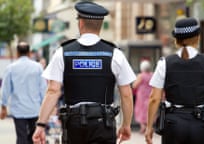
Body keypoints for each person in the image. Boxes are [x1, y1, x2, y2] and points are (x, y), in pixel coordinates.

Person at [32, 1, 136, 144]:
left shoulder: (63, 52)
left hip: (74, 124)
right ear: (100, 25)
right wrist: (126, 125)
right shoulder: (114, 54)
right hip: (103, 123)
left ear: (80, 23)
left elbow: (52, 91)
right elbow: (126, 93)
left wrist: (41, 125)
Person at [145, 17, 204, 144]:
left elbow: (154, 98)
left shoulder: (165, 63)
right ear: (198, 37)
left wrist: (149, 127)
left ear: (176, 40)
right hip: (202, 125)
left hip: (173, 125)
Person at [0, 42, 47, 144]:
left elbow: (5, 89)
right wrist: (46, 107)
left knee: (21, 136)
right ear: (29, 53)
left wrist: (3, 107)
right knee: (33, 137)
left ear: (17, 53)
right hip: (35, 109)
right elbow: (43, 89)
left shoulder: (11, 68)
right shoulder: (38, 67)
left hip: (18, 110)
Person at [132, 60, 153, 134]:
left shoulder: (141, 76)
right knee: (148, 110)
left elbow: (134, 85)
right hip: (150, 95)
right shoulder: (152, 75)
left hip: (142, 96)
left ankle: (142, 127)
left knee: (140, 111)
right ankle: (148, 127)